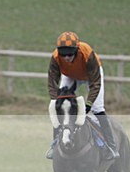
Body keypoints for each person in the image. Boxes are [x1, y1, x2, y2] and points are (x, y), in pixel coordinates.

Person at [46, 31, 119, 160]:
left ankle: (111, 147)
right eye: (63, 54)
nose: (67, 57)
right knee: (60, 108)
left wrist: (88, 105)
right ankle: (55, 144)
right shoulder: (56, 57)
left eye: (70, 53)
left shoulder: (87, 54)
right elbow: (52, 81)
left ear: (77, 49)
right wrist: (55, 100)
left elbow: (95, 84)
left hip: (91, 76)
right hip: (70, 75)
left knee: (98, 108)